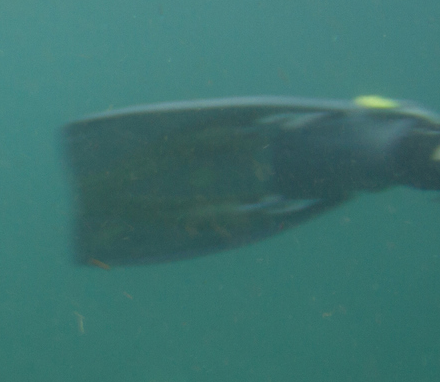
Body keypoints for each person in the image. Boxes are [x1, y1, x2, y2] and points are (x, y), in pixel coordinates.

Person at [61, 95, 440, 266]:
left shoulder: (414, 126)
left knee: (211, 166)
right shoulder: (416, 130)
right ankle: (113, 193)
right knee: (213, 180)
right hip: (295, 169)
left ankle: (113, 192)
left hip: (294, 165)